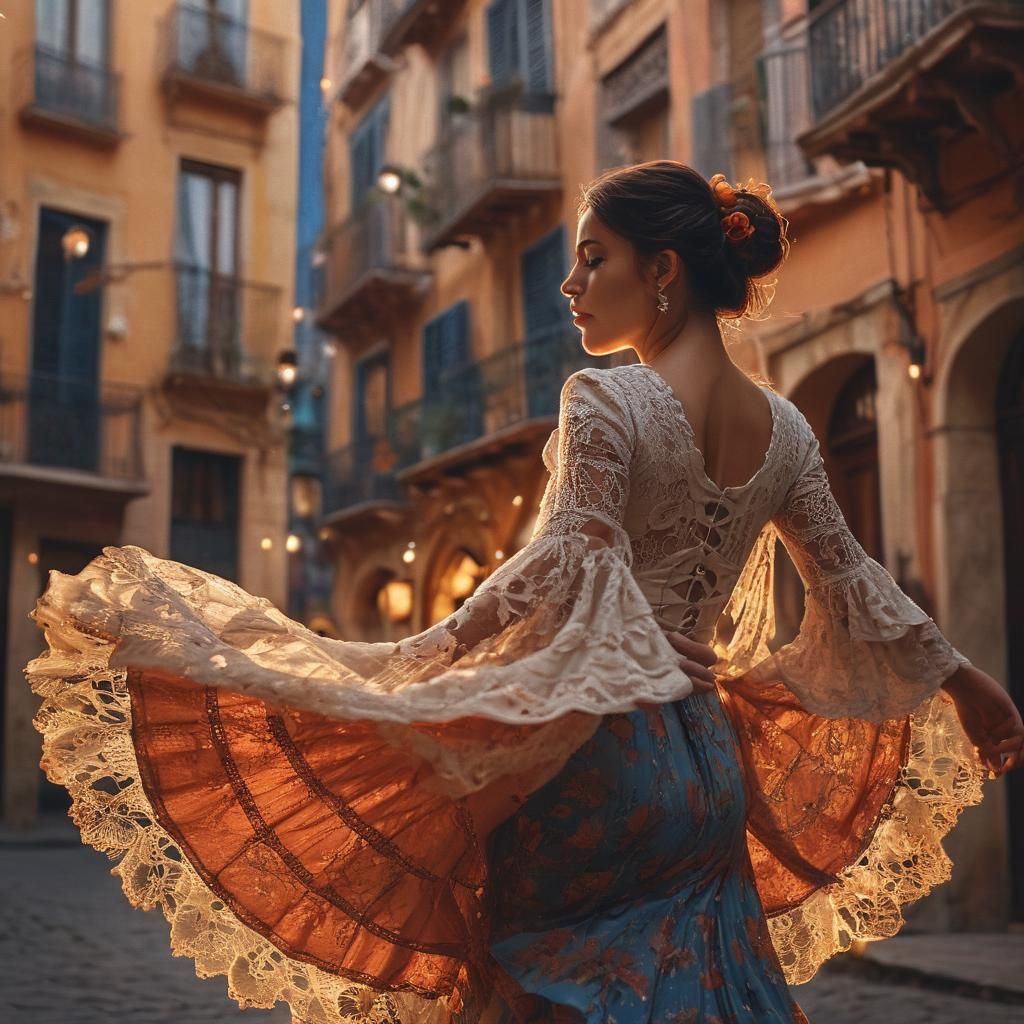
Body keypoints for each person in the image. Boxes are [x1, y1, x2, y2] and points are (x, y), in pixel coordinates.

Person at [25, 160, 1022, 1024]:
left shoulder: (605, 399)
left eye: (594, 258)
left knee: (535, 982)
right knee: (705, 983)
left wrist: (406, 666)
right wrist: (967, 679)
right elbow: (847, 579)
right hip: (709, 771)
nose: (569, 280)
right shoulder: (789, 432)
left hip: (603, 756)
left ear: (661, 272)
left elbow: (568, 569)